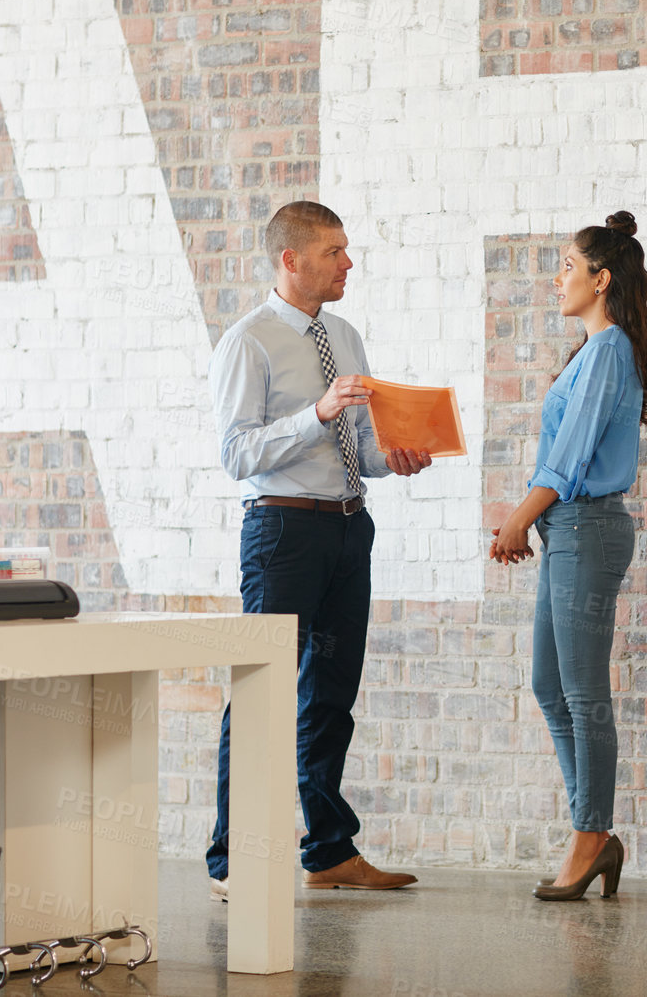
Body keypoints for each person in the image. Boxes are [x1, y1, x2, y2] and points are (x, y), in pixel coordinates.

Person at [205, 200, 434, 898]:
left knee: (330, 698)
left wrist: (395, 458)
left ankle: (329, 850)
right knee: (261, 694)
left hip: (346, 526)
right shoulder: (248, 342)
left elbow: (357, 450)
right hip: (284, 534)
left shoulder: (346, 335)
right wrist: (318, 412)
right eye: (335, 252)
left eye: (346, 250)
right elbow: (237, 453)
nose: (348, 263)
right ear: (291, 259)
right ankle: (230, 863)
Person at [489, 210, 647, 902]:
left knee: (583, 692)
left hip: (586, 528)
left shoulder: (611, 348)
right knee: (549, 684)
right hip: (569, 529)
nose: (556, 278)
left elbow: (570, 458)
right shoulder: (595, 351)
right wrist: (533, 522)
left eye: (567, 265)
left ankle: (591, 836)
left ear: (602, 277)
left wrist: (515, 520)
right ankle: (594, 832)